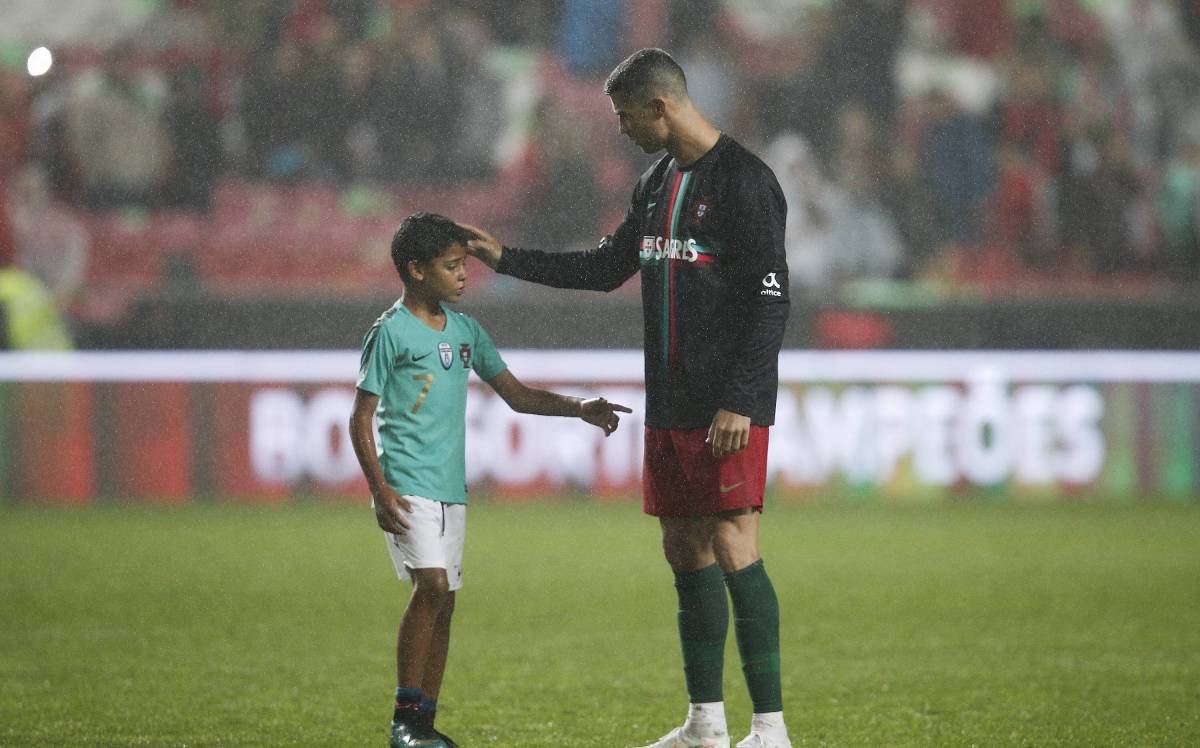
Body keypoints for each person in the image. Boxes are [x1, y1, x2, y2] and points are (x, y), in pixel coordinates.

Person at [464, 48, 792, 748]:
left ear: (660, 107)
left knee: (733, 540)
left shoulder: (746, 181)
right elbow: (606, 267)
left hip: (726, 405)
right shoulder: (655, 182)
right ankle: (706, 723)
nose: (620, 129)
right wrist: (507, 259)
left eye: (624, 116)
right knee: (683, 547)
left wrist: (741, 399)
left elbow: (770, 302)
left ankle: (771, 729)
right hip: (670, 399)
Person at [348, 212, 631, 748]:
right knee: (431, 587)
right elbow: (360, 418)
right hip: (405, 483)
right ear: (416, 270)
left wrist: (579, 407)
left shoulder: (466, 331)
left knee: (446, 601)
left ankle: (424, 723)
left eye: (464, 264)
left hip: (450, 487)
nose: (463, 275)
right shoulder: (390, 332)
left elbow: (517, 395)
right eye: (451, 266)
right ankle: (403, 721)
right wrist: (380, 490)